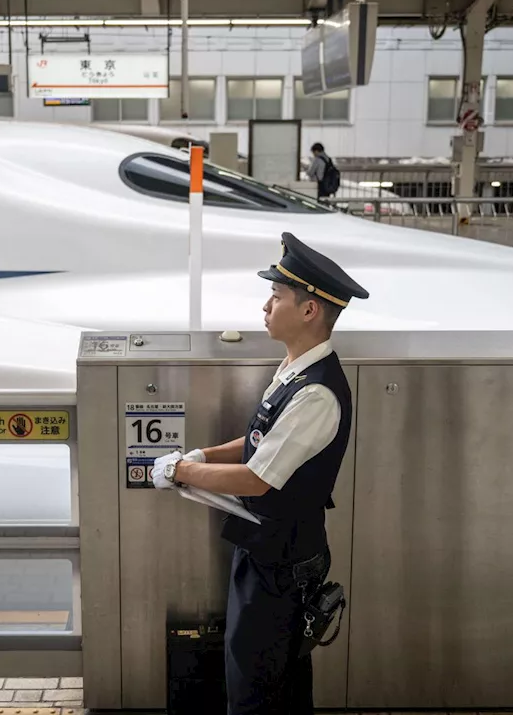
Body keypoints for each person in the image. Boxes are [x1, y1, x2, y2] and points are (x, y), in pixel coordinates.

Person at [149, 231, 369, 715]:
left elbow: (256, 478)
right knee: (271, 681)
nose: (266, 306)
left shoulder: (315, 393)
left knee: (257, 690)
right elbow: (258, 445)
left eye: (276, 296)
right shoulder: (294, 369)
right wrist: (203, 456)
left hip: (282, 568)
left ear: (309, 311)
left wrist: (182, 471)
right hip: (268, 551)